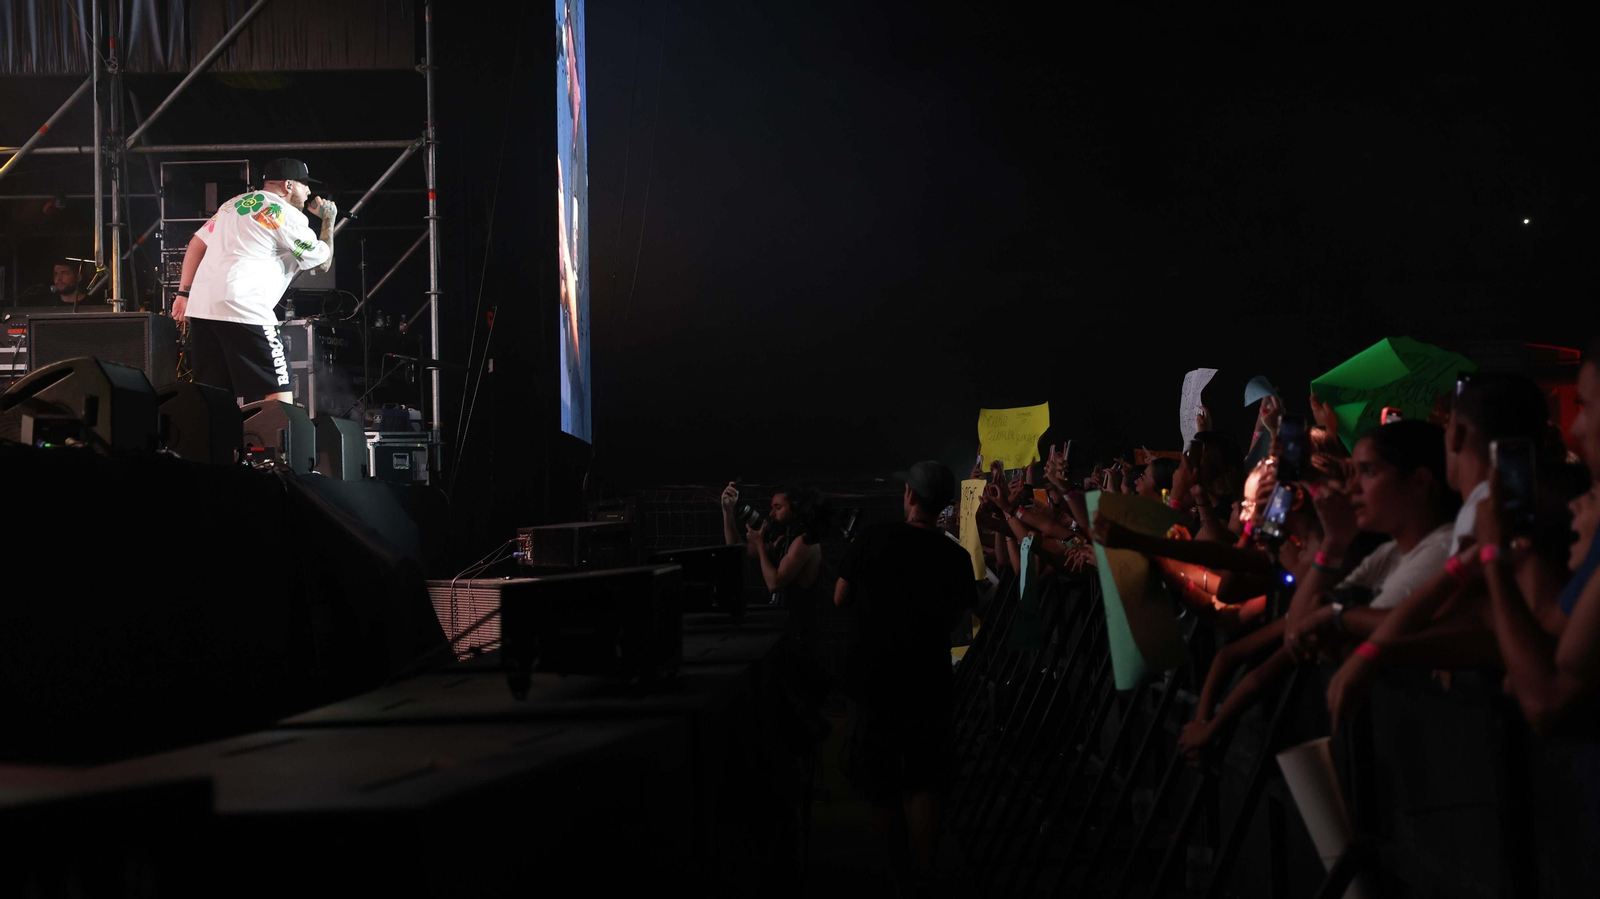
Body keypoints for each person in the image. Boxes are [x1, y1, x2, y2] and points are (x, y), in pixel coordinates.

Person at [834, 461, 975, 894]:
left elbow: (840, 597)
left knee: (881, 782)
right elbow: (957, 619)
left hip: (873, 678)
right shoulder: (956, 556)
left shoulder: (872, 538)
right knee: (925, 778)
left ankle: (899, 876)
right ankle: (927, 872)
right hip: (928, 678)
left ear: (910, 495)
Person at [172, 158, 336, 404]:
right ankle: (280, 431)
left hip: (203, 307)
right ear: (288, 185)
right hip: (244, 306)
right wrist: (328, 219)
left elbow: (196, 244)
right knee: (278, 388)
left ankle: (216, 432)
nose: (309, 191)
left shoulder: (232, 205)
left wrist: (183, 294)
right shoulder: (284, 213)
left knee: (213, 394)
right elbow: (323, 262)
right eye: (304, 184)